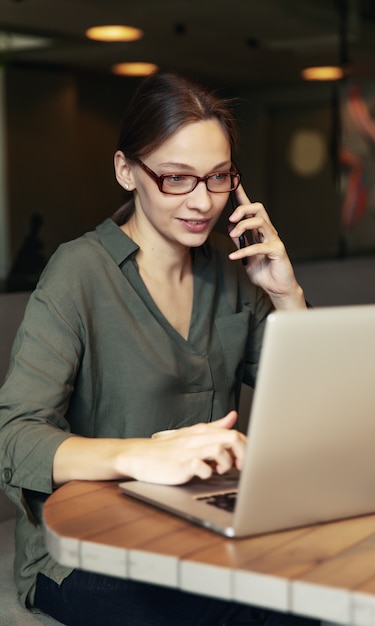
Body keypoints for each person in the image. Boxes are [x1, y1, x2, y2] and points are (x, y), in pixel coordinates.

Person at [0, 73, 316, 626]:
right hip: (91, 546)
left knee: (311, 597)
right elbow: (14, 436)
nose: (202, 202)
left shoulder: (237, 273)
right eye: (176, 178)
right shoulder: (80, 272)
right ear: (127, 171)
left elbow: (318, 412)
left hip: (202, 526)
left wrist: (287, 294)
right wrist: (140, 455)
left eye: (219, 178)